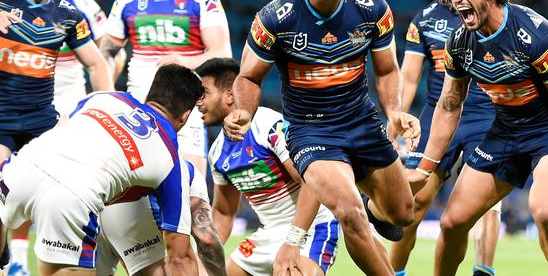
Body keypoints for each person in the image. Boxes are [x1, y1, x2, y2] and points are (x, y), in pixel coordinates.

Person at [222, 0, 420, 275]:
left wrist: (393, 112)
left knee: (403, 213)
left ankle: (367, 201)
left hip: (362, 123)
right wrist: (243, 112)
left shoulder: (372, 9)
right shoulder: (275, 19)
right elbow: (249, 77)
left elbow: (389, 71)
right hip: (312, 133)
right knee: (349, 213)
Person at [408, 0, 548, 276]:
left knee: (543, 211)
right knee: (452, 221)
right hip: (504, 132)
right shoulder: (459, 43)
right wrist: (425, 168)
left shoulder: (538, 36)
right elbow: (449, 106)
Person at [0, 64, 204, 276]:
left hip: (21, 166)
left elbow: (63, 127)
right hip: (70, 198)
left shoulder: (104, 97)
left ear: (148, 96)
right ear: (185, 116)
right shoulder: (171, 158)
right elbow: (179, 256)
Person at [0, 0, 113, 275]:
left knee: (74, 195)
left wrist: (106, 112)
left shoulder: (68, 16)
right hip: (1, 121)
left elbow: (96, 64)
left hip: (43, 123)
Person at [388, 0, 501, 276]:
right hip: (438, 114)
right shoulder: (424, 20)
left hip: (487, 116)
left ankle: (484, 270)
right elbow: (408, 78)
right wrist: (395, 123)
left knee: (482, 207)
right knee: (413, 202)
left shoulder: (491, 14)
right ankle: (393, 272)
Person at [102, 0, 232, 178]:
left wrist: (185, 60)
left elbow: (222, 52)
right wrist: (108, 88)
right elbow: (105, 52)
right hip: (138, 107)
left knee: (192, 185)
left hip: (187, 106)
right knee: (132, 184)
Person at [196, 58, 339, 276]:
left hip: (309, 227)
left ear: (229, 95)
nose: (198, 102)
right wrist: (204, 261)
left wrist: (292, 241)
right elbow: (224, 213)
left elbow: (311, 182)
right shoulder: (217, 153)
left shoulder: (268, 125)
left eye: (204, 93)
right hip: (267, 234)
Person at [96, 159, 226, 276]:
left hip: (90, 195)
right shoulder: (180, 169)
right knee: (180, 260)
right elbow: (207, 240)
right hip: (135, 199)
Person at [52, 0, 114, 117]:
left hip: (67, 104)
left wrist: (103, 99)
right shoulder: (11, 5)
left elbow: (112, 51)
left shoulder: (81, 5)